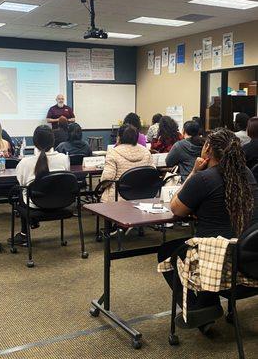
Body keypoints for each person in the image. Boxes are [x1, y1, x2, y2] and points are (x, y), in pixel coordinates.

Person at [158, 128, 258, 329]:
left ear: (208, 149)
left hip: (220, 267)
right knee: (211, 240)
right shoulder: (247, 174)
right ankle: (207, 304)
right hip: (250, 261)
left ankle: (199, 308)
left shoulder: (203, 178)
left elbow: (176, 208)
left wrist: (194, 171)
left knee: (167, 252)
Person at [10, 125, 70, 246]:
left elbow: (21, 183)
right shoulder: (64, 159)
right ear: (53, 140)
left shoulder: (25, 163)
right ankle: (30, 225)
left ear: (35, 142)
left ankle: (24, 234)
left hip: (35, 205)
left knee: (21, 191)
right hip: (61, 202)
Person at [100, 124, 154, 202]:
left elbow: (107, 179)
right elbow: (152, 173)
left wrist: (102, 186)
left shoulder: (113, 152)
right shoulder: (146, 151)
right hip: (143, 196)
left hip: (118, 198)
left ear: (119, 137)